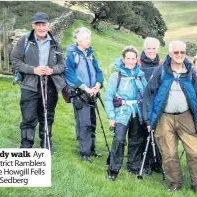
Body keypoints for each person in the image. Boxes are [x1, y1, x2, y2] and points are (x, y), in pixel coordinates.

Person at [142, 40, 197, 193]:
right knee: (169, 153)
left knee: (195, 151)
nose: (179, 55)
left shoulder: (190, 72)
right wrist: (148, 119)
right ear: (170, 54)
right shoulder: (161, 71)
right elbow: (148, 95)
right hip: (164, 118)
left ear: (185, 54)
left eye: (182, 52)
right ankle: (175, 182)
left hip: (186, 117)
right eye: (176, 52)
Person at [10, 12, 65, 151]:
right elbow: (15, 61)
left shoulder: (55, 43)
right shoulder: (24, 41)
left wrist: (52, 70)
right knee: (28, 116)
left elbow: (63, 64)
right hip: (30, 85)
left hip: (50, 85)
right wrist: (33, 70)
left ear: (48, 25)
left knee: (47, 115)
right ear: (33, 25)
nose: (41, 28)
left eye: (44, 24)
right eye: (38, 25)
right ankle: (26, 145)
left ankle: (45, 143)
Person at [104, 46, 148, 181]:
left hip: (137, 111)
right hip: (121, 112)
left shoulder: (140, 76)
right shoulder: (116, 76)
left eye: (133, 58)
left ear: (137, 60)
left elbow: (146, 95)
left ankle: (133, 166)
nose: (130, 61)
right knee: (119, 138)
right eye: (128, 58)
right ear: (123, 59)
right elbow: (108, 97)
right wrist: (111, 117)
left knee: (136, 139)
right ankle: (114, 168)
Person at [64, 27, 104, 162]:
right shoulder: (72, 55)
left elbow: (99, 71)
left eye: (89, 37)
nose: (89, 40)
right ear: (78, 40)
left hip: (92, 94)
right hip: (80, 95)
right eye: (87, 38)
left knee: (92, 122)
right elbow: (70, 75)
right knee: (84, 123)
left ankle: (92, 150)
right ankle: (84, 153)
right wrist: (86, 88)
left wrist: (98, 84)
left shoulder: (90, 54)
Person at [138, 36, 163, 174]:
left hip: (158, 103)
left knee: (159, 134)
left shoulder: (162, 64)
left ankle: (157, 162)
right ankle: (144, 163)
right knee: (143, 134)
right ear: (144, 49)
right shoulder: (138, 63)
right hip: (142, 102)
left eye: (154, 48)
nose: (152, 51)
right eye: (149, 48)